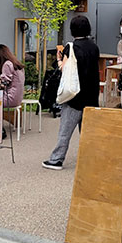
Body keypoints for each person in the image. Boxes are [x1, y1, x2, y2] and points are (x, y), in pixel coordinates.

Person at [43, 15, 100, 170]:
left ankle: (56, 159)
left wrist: (59, 59)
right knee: (87, 132)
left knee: (65, 131)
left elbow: (65, 69)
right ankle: (90, 160)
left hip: (74, 97)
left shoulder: (71, 47)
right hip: (91, 96)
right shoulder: (94, 47)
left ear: (72, 30)